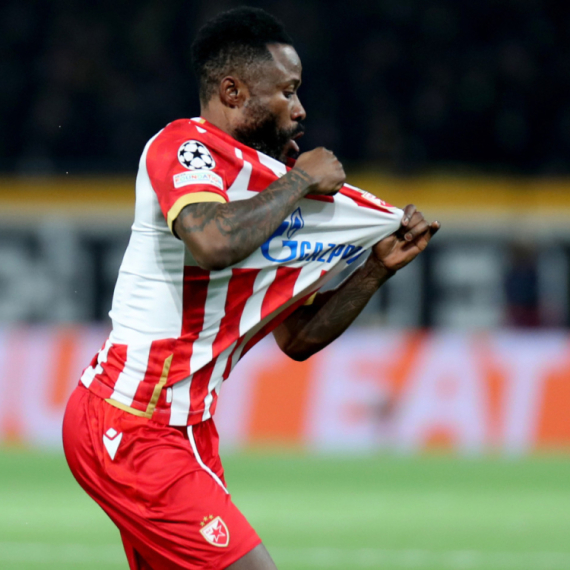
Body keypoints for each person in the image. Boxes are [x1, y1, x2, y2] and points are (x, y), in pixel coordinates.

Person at [62, 7, 440, 570]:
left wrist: (376, 268)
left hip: (187, 428)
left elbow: (298, 336)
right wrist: (299, 180)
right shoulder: (183, 147)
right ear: (233, 91)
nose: (300, 108)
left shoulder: (265, 196)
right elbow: (212, 242)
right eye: (287, 91)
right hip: (132, 419)